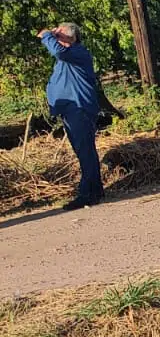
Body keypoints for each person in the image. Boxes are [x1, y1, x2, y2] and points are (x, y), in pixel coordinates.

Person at [38, 23, 104, 209]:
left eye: (58, 32)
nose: (54, 33)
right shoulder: (69, 57)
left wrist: (46, 36)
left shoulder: (77, 53)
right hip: (71, 109)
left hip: (79, 108)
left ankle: (87, 194)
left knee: (85, 151)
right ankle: (95, 190)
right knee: (83, 151)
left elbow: (58, 52)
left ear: (70, 38)